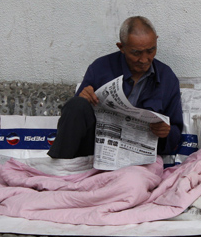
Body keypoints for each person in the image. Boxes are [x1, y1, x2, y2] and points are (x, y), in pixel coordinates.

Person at [47, 16, 184, 159]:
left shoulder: (167, 78)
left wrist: (166, 132)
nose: (144, 60)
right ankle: (60, 165)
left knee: (139, 176)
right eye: (136, 53)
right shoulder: (100, 68)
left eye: (151, 51)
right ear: (121, 47)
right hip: (96, 149)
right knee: (76, 104)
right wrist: (83, 97)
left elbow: (175, 132)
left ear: (156, 41)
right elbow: (74, 119)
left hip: (138, 156)